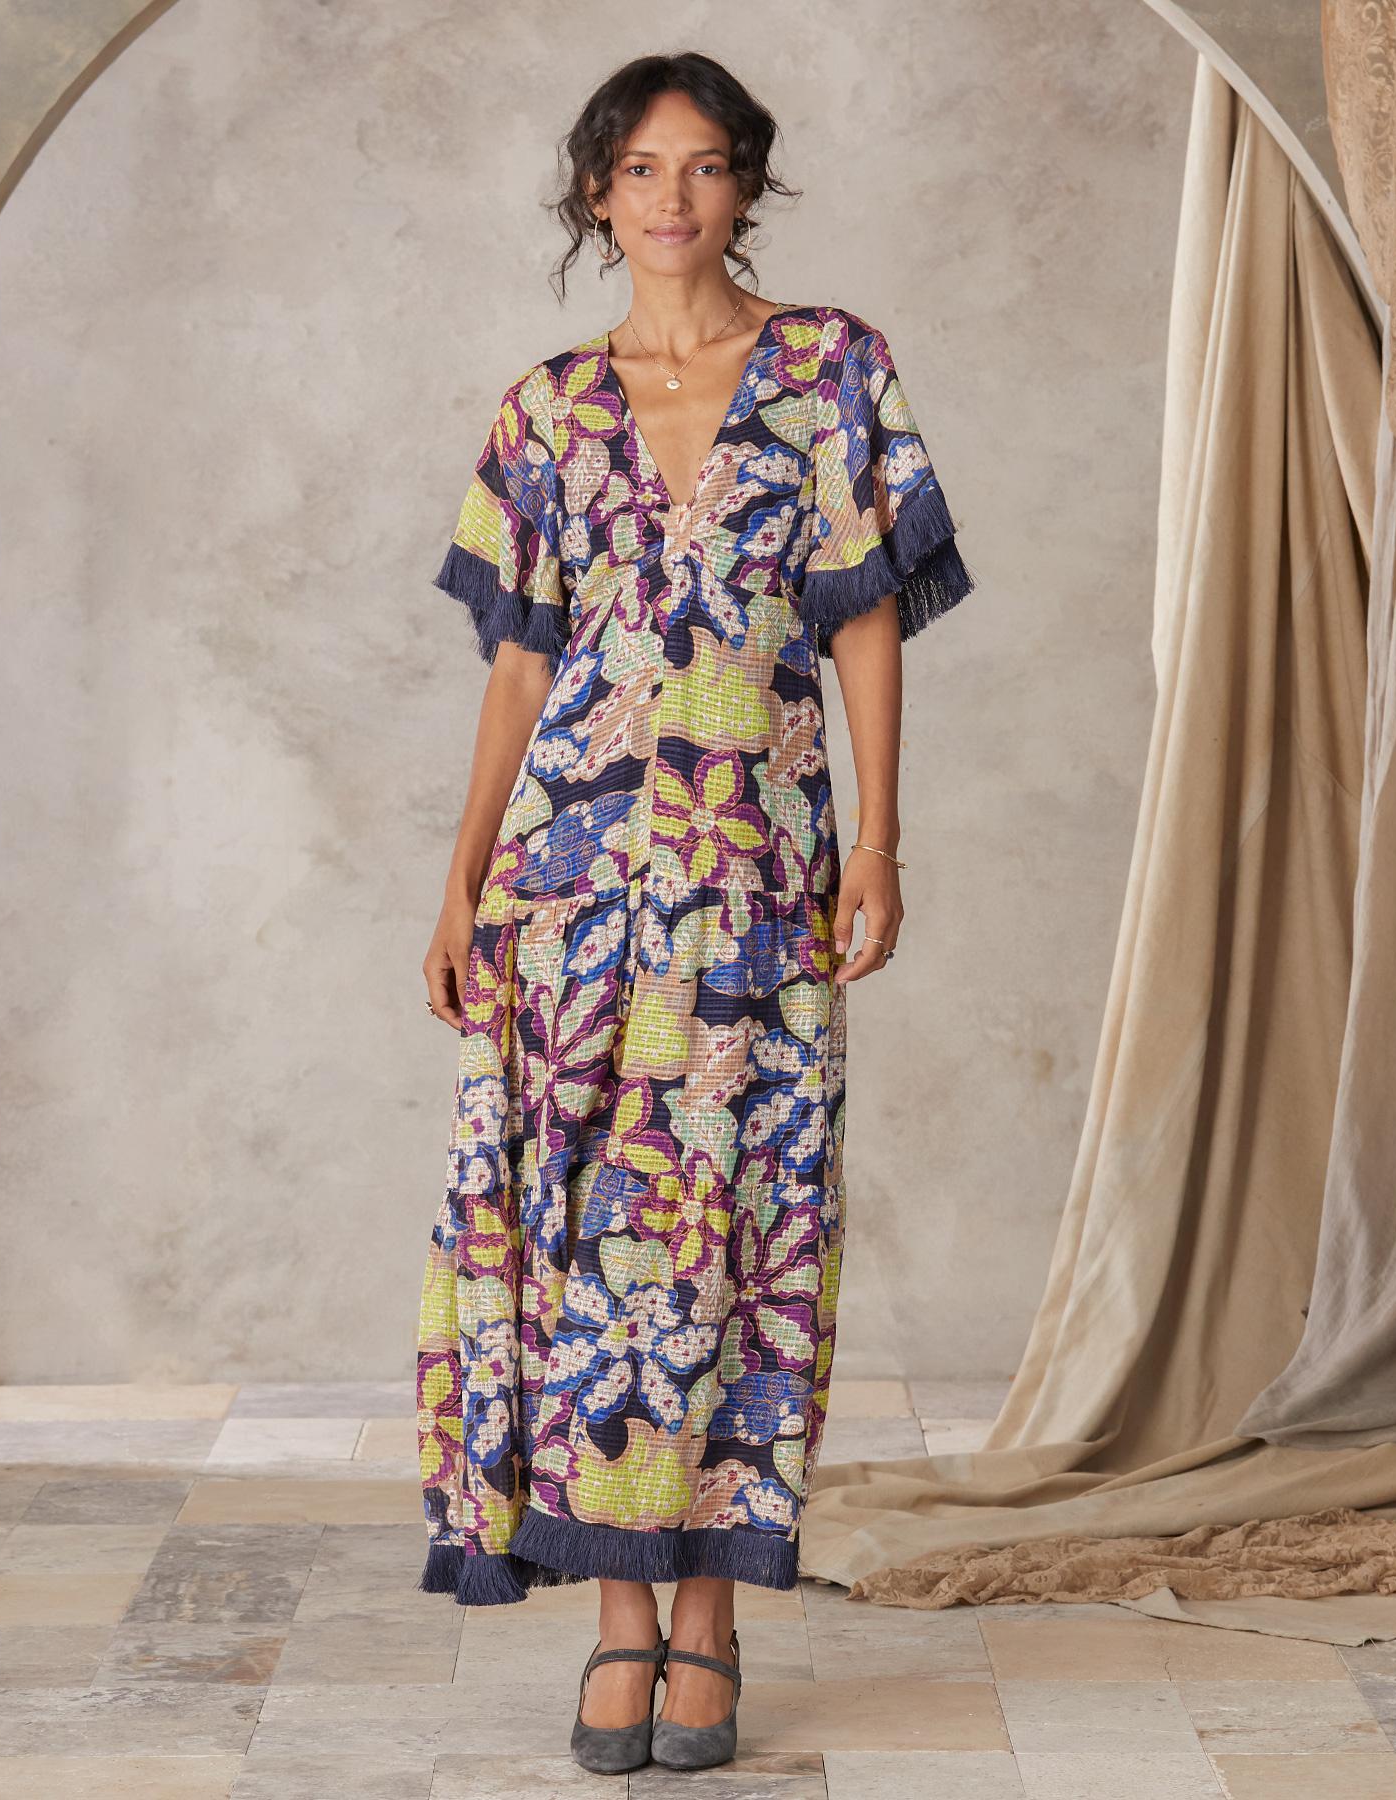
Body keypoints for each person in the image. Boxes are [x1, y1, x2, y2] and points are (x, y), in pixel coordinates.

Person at [413, 49, 974, 1775]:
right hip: (572, 892)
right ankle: (617, 1620)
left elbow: (864, 616)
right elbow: (524, 663)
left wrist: (878, 840)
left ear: (747, 185)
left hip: (754, 881)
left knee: (738, 1230)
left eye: (707, 164)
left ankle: (710, 1622)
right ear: (598, 193)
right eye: (643, 168)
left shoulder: (831, 370)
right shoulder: (544, 410)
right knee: (589, 1237)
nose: (675, 197)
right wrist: (461, 876)